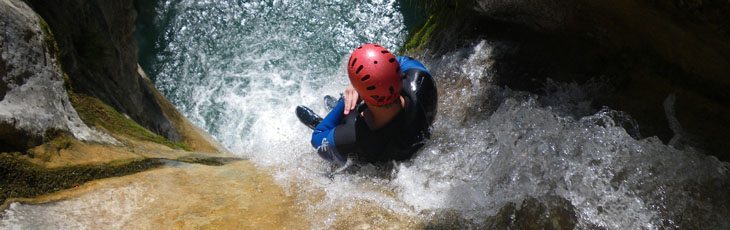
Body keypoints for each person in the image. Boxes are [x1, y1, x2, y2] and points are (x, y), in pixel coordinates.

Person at [296, 43, 437, 166]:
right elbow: (400, 61)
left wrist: (346, 101)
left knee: (342, 125)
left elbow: (316, 138)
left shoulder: (351, 137)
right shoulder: (422, 82)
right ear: (400, 76)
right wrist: (369, 84)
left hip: (374, 148)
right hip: (409, 133)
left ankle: (328, 118)